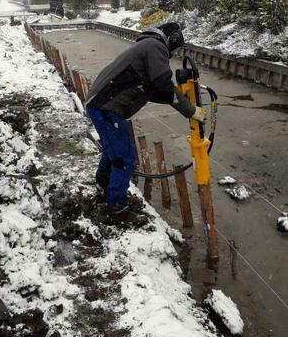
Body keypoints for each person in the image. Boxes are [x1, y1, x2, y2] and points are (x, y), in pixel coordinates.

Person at [86, 22, 205, 216]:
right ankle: (117, 205)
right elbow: (164, 84)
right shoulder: (155, 46)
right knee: (124, 158)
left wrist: (179, 102)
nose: (172, 54)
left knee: (113, 153)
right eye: (173, 49)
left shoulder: (145, 46)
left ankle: (104, 187)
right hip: (107, 107)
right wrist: (190, 110)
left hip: (101, 105)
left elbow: (154, 91)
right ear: (171, 40)